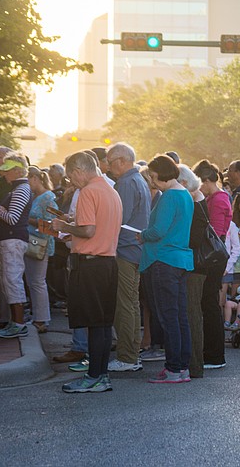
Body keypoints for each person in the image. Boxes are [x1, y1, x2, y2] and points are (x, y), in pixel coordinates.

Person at [53, 151, 123, 393]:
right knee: (102, 324)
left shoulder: (88, 191)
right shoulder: (110, 190)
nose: (71, 181)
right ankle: (100, 375)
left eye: (71, 176)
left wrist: (64, 226)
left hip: (90, 263)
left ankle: (93, 376)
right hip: (108, 263)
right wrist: (75, 221)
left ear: (79, 171)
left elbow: (88, 230)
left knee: (93, 323)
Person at [138, 154, 195, 383]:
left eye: (152, 175)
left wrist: (140, 235)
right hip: (180, 260)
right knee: (180, 317)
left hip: (164, 260)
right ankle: (181, 367)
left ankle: (173, 368)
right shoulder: (185, 194)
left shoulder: (169, 196)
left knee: (168, 317)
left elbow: (158, 230)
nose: (151, 179)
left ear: (160, 173)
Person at [106, 142, 151, 373]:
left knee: (125, 305)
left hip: (124, 250)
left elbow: (117, 219)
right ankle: (131, 354)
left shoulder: (125, 182)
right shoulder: (140, 180)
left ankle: (127, 356)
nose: (108, 165)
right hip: (136, 251)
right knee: (131, 304)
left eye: (110, 161)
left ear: (122, 161)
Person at [0, 153, 32, 339]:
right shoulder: (19, 188)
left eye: (7, 171)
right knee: (9, 281)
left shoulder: (21, 189)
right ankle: (16, 322)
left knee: (12, 281)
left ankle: (19, 323)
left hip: (12, 240)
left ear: (16, 170)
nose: (4, 175)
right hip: (9, 240)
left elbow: (12, 219)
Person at [192, 159, 231, 369]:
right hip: (214, 256)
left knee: (210, 304)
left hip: (212, 258)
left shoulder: (217, 200)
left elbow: (214, 233)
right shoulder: (216, 198)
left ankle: (215, 354)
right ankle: (212, 352)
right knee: (209, 303)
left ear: (207, 180)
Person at [179, 164, 210, 378]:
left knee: (192, 314)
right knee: (193, 314)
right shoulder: (198, 201)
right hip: (197, 265)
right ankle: (194, 363)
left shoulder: (196, 204)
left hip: (195, 266)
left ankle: (195, 364)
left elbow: (194, 239)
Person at [23, 166, 57, 333]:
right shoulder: (36, 197)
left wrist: (29, 220)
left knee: (37, 282)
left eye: (28, 180)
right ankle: (38, 316)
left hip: (41, 246)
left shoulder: (48, 198)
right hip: (32, 244)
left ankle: (42, 319)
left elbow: (53, 226)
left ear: (35, 179)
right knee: (32, 282)